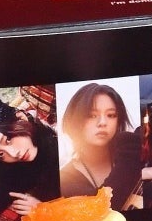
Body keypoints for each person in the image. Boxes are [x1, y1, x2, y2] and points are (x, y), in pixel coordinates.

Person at [0, 97, 60, 221]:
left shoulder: (62, 144)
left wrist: (45, 210)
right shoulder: (18, 168)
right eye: (0, 154)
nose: (14, 154)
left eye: (8, 139)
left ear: (21, 117)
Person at [59, 82, 142, 211]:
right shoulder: (65, 180)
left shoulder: (133, 153)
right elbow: (97, 213)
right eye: (92, 115)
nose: (102, 122)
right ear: (75, 120)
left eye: (111, 115)